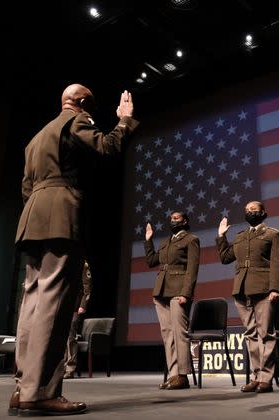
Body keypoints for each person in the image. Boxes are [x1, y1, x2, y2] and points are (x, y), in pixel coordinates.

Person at [10, 84, 138, 416]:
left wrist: (40, 208)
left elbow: (26, 187)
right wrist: (124, 120)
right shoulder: (76, 121)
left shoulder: (36, 138)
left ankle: (23, 387)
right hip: (61, 216)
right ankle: (40, 392)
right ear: (81, 104)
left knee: (32, 300)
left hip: (32, 219)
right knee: (54, 303)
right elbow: (108, 148)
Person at [216, 201, 279, 393]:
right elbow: (226, 258)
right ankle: (256, 376)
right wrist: (221, 236)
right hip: (242, 288)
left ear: (263, 213)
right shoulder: (241, 236)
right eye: (247, 211)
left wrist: (275, 288)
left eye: (254, 210)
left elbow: (277, 263)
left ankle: (266, 378)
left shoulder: (272, 234)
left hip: (263, 288)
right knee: (251, 334)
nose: (250, 213)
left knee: (266, 333)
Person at [144, 211, 200, 390]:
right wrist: (148, 240)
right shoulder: (166, 242)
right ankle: (173, 374)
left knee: (179, 333)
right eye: (171, 219)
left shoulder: (191, 240)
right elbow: (152, 261)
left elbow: (192, 269)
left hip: (178, 291)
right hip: (161, 291)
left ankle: (183, 376)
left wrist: (186, 293)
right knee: (167, 334)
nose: (173, 221)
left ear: (185, 221)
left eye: (177, 218)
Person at [63, 259, 93, 379]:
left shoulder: (82, 263)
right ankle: (60, 368)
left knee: (70, 336)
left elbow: (87, 285)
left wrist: (83, 305)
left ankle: (70, 368)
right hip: (60, 304)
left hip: (74, 305)